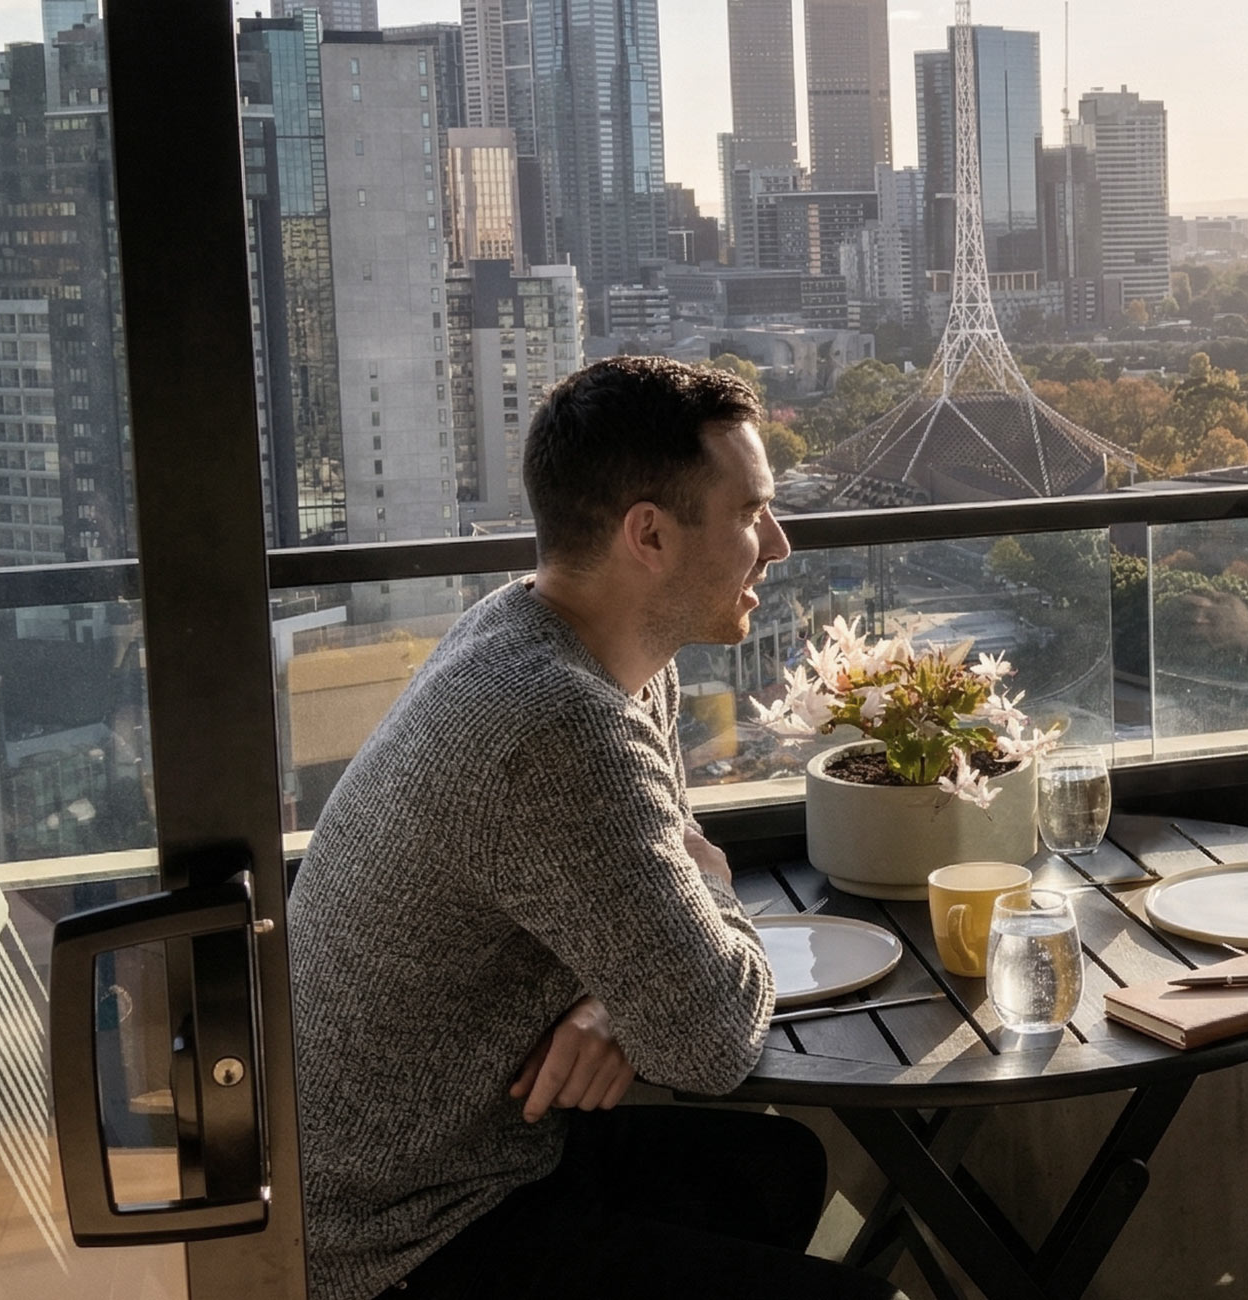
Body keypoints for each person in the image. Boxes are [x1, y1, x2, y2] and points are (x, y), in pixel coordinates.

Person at [289, 356, 890, 1300]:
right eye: (748, 513)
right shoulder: (556, 724)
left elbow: (647, 904)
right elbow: (706, 1036)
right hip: (398, 1240)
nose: (777, 543)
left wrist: (616, 1002)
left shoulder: (568, 640)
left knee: (777, 1171)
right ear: (647, 534)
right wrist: (712, 900)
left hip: (477, 1150)